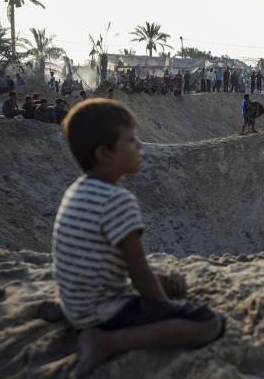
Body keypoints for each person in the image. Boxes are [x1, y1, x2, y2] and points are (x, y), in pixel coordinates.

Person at [54, 99, 224, 376]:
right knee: (208, 323)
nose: (141, 146)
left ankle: (87, 325)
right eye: (132, 140)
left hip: (75, 303)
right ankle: (107, 343)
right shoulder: (118, 200)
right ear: (105, 154)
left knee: (165, 280)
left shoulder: (76, 190)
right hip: (102, 313)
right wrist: (167, 311)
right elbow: (139, 275)